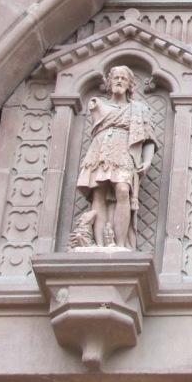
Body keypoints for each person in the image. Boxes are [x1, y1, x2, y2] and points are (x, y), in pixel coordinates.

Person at [76, 66, 156, 249]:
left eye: (124, 79)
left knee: (122, 190)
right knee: (99, 193)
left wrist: (147, 161)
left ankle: (120, 245)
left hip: (124, 150)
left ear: (130, 85)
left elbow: (149, 138)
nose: (119, 81)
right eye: (116, 78)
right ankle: (100, 244)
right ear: (109, 82)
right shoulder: (98, 104)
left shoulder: (139, 109)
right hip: (101, 150)